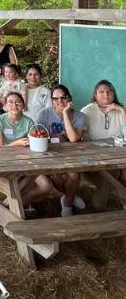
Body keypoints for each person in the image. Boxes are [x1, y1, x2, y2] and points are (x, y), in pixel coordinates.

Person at [0, 92, 53, 207]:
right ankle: (12, 205)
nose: (14, 105)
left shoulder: (28, 121)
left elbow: (33, 142)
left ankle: (16, 203)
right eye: (10, 102)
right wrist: (17, 143)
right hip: (5, 160)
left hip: (26, 159)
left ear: (23, 106)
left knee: (46, 185)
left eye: (18, 102)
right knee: (28, 177)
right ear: (5, 105)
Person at [37, 84, 87, 216]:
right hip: (50, 153)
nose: (59, 101)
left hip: (73, 154)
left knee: (74, 174)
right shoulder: (44, 114)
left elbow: (73, 139)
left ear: (69, 98)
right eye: (55, 98)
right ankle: (70, 195)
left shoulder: (80, 116)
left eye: (63, 97)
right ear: (52, 100)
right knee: (56, 176)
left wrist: (65, 113)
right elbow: (40, 137)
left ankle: (67, 206)